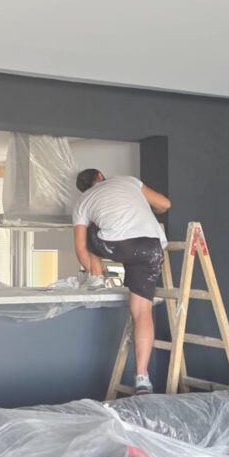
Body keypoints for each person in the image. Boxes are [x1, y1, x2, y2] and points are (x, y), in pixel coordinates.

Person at [72, 169, 171, 395]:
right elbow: (165, 204)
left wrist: (93, 270)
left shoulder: (83, 202)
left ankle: (97, 276)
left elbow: (80, 248)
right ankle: (143, 379)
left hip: (118, 246)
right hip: (152, 248)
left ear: (83, 189)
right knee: (142, 311)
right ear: (100, 175)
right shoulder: (128, 181)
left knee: (88, 232)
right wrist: (148, 208)